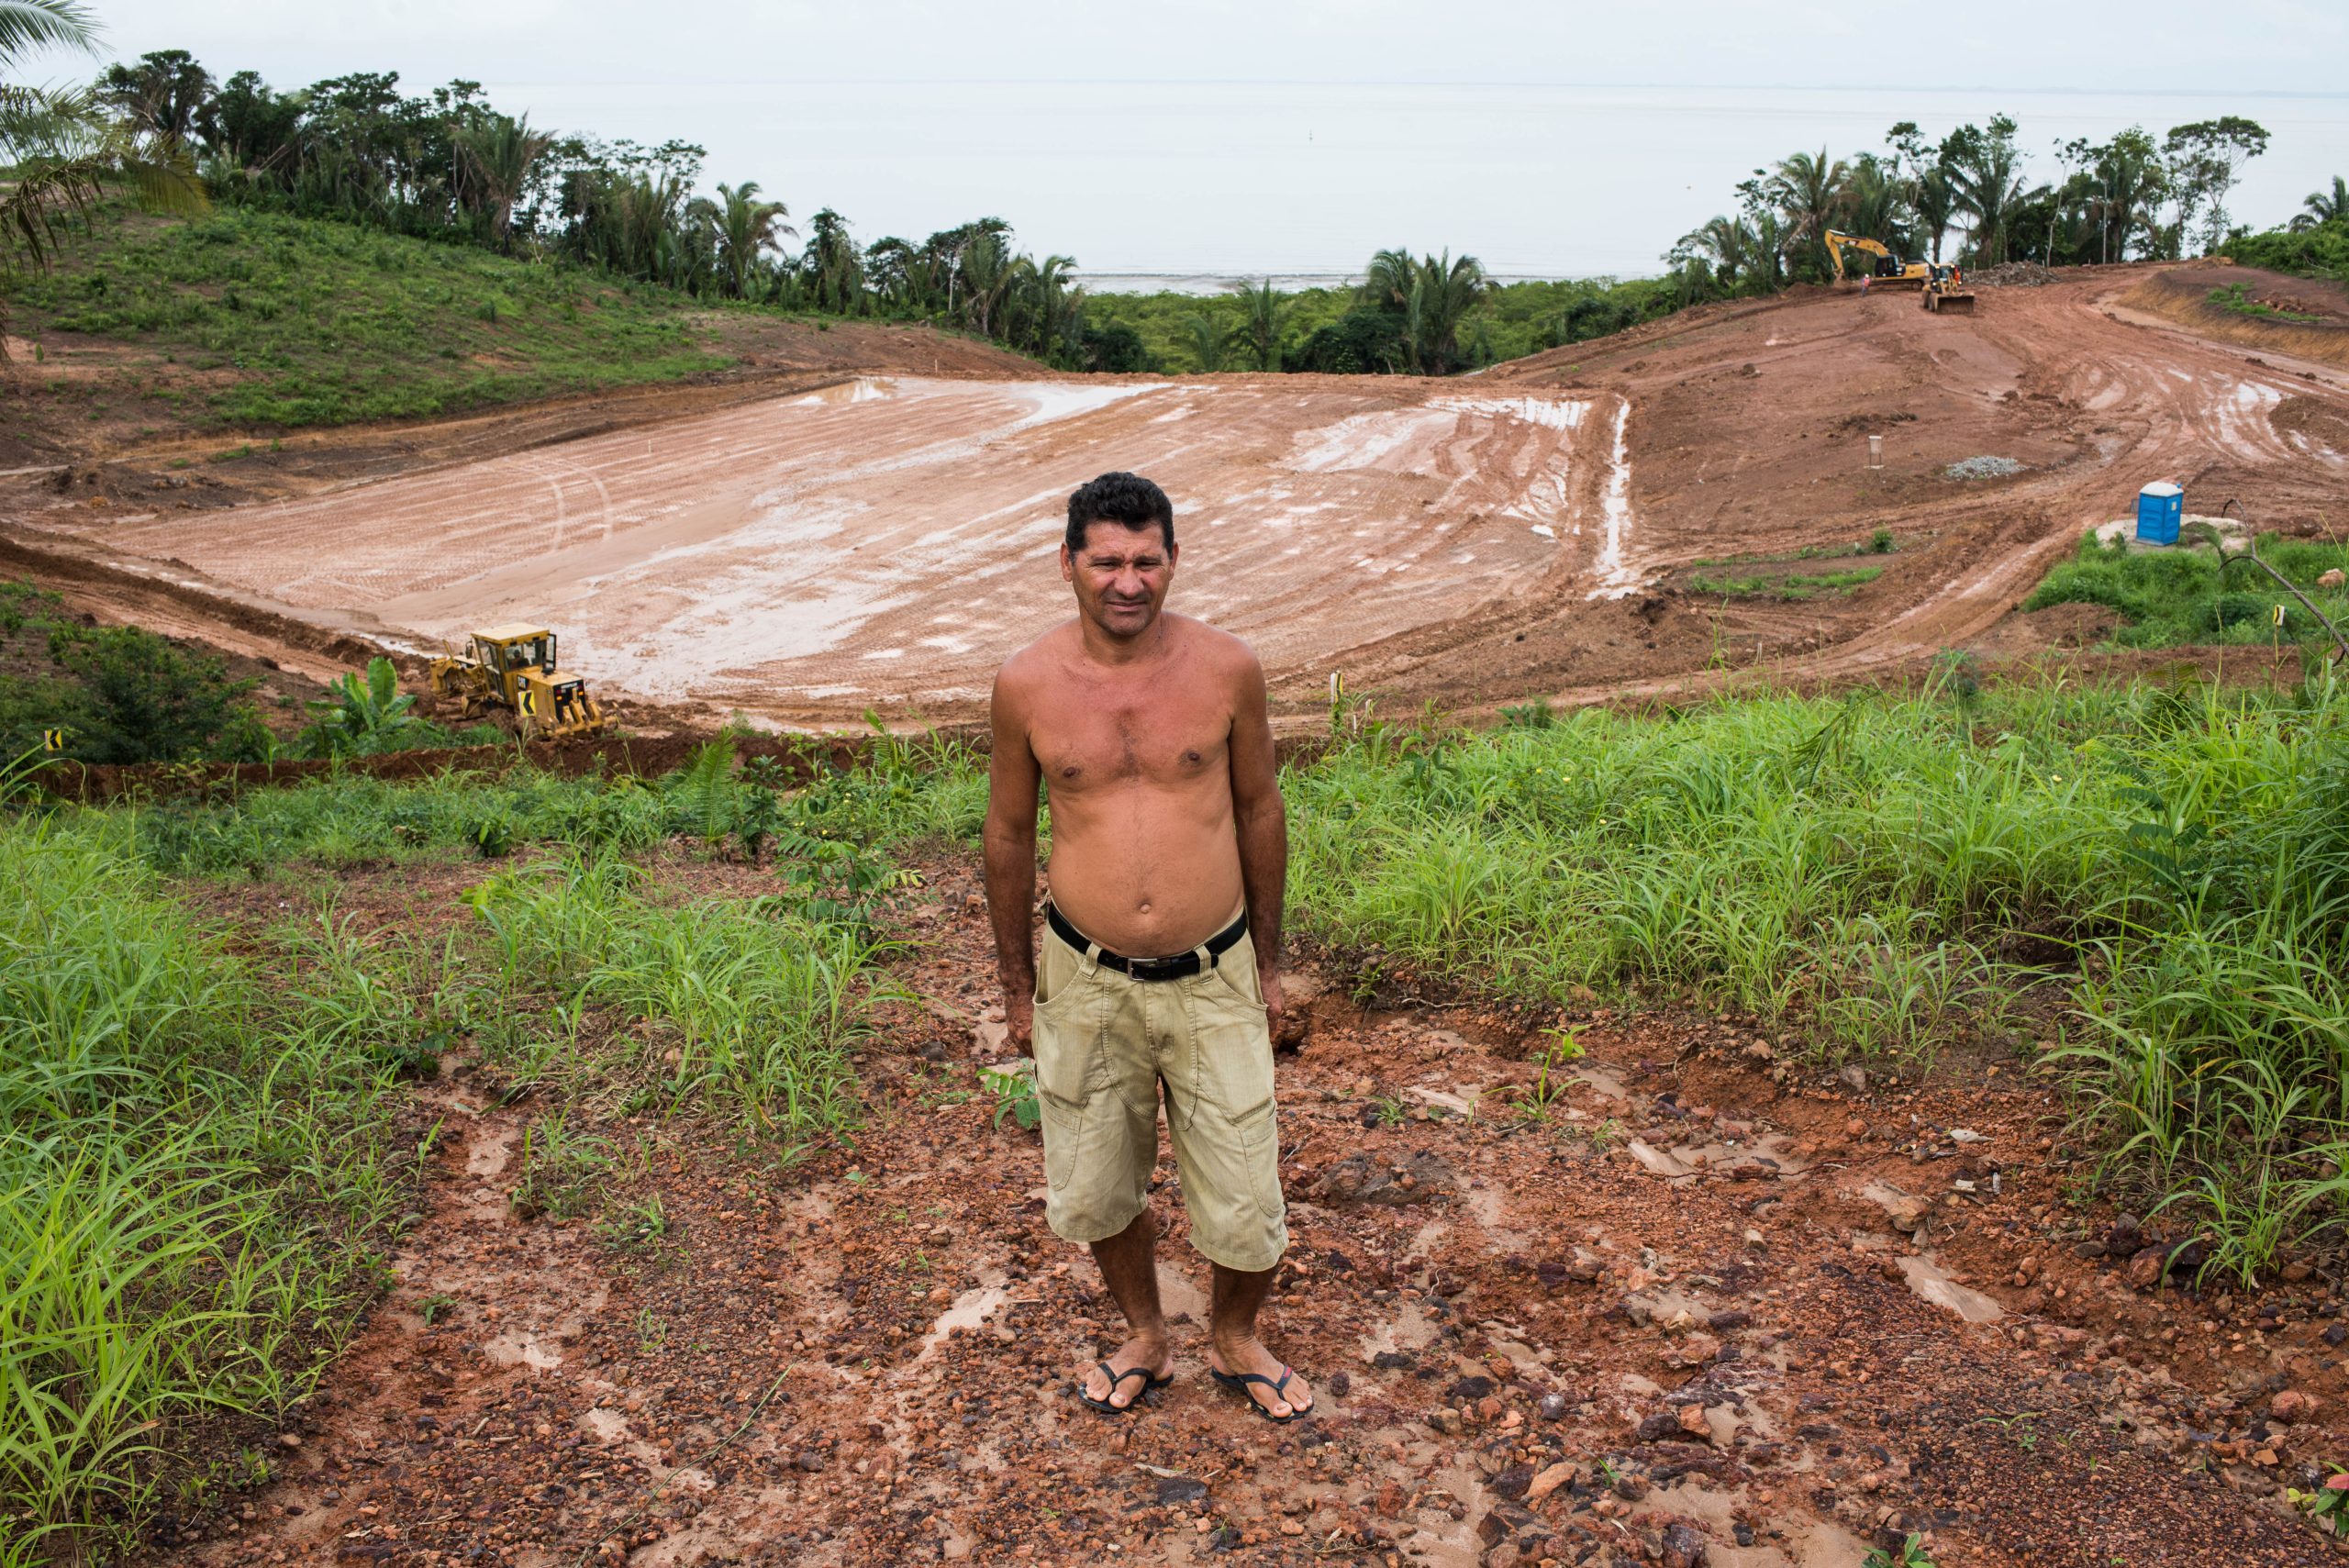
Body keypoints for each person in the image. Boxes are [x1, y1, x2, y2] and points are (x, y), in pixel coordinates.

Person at [982, 471, 1311, 1423]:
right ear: (1068, 564)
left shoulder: (1225, 669)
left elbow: (1258, 807)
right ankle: (1143, 1331)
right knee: (1095, 1175)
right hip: (1084, 975)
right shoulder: (1027, 683)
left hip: (1214, 969)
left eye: (1145, 560)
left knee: (1246, 1180)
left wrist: (1270, 965)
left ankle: (1237, 1335)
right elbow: (1007, 834)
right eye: (1107, 561)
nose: (1128, 581)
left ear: (1173, 560)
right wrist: (1017, 991)